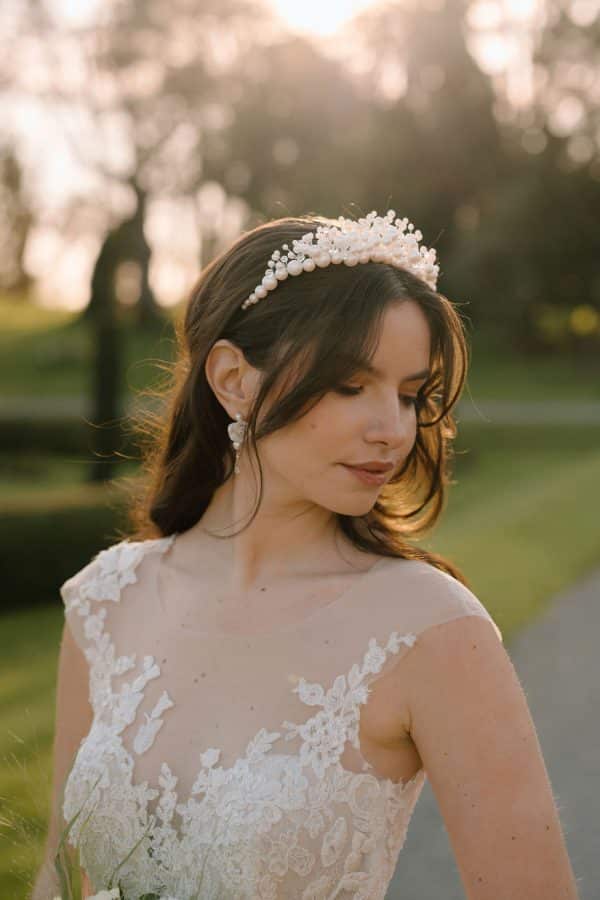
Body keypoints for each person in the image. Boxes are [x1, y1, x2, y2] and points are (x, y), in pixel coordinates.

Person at [32, 211, 580, 899]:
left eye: (411, 395)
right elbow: (58, 873)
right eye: (351, 386)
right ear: (233, 378)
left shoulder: (433, 631)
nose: (393, 430)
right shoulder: (105, 602)